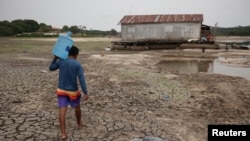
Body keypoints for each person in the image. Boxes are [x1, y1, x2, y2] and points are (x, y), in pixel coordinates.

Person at [49, 45, 89, 140]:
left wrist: (55, 58)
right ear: (76, 55)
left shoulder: (61, 61)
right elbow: (81, 80)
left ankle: (63, 133)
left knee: (62, 111)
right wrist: (85, 92)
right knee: (77, 107)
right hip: (73, 91)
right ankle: (79, 123)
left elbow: (51, 68)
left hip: (61, 90)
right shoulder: (77, 64)